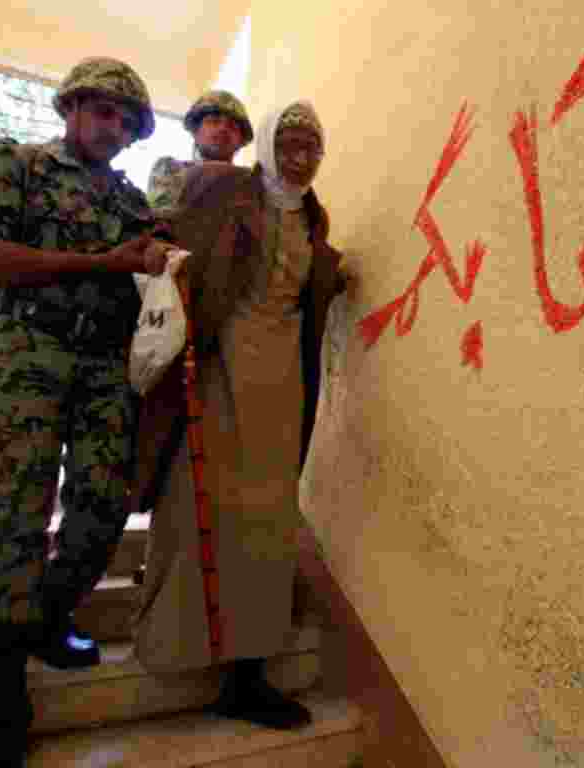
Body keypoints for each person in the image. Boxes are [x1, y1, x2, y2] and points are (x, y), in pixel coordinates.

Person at [0, 56, 174, 767]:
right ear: (72, 106)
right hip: (27, 353)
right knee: (15, 518)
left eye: (126, 121)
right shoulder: (15, 163)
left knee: (105, 508)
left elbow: (155, 255)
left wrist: (164, 254)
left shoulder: (130, 199)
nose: (113, 128)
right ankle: (3, 694)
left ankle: (45, 619)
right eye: (102, 111)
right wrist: (108, 264)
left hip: (104, 370)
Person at [132, 100, 347, 730]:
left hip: (282, 384)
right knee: (199, 504)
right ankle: (179, 645)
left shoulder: (314, 214)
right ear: (268, 146)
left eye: (313, 147)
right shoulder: (221, 185)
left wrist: (338, 275)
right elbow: (171, 239)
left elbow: (306, 281)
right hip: (217, 369)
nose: (302, 158)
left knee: (267, 521)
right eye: (290, 144)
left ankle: (245, 674)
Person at [146, 90, 253, 210]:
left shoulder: (251, 183)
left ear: (241, 141)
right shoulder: (169, 171)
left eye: (232, 126)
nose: (223, 128)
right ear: (196, 131)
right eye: (214, 121)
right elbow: (160, 219)